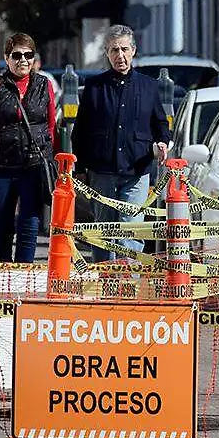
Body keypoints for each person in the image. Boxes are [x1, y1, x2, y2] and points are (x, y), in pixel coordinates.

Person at [73, 25, 171, 263]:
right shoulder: (95, 87)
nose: (120, 55)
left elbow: (160, 123)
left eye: (125, 49)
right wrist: (81, 169)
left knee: (131, 229)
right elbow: (81, 130)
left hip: (137, 169)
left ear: (133, 51)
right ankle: (105, 279)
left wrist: (163, 142)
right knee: (104, 230)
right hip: (101, 170)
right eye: (114, 50)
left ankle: (128, 284)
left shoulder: (148, 86)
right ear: (107, 53)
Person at [0, 33, 58, 262]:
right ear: (6, 58)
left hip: (33, 166)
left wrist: (52, 158)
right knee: (2, 225)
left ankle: (24, 278)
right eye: (17, 55)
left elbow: (51, 126)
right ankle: (3, 274)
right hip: (1, 167)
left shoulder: (44, 85)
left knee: (30, 224)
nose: (23, 60)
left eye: (28, 55)